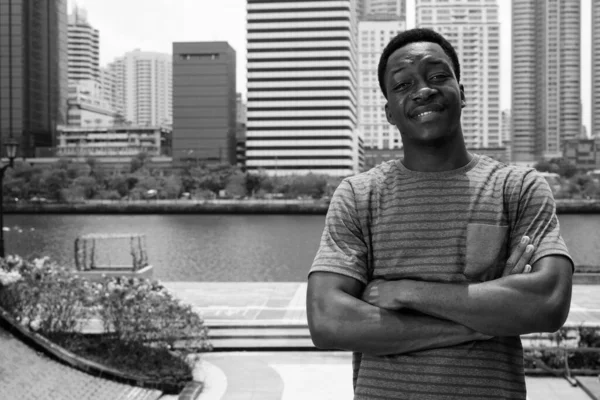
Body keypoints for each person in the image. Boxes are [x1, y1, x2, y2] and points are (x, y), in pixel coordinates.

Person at [306, 28, 573, 400]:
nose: (423, 90)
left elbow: (547, 302)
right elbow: (328, 321)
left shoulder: (518, 187)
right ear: (389, 112)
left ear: (461, 92)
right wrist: (482, 319)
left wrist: (404, 291)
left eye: (437, 76)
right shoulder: (359, 194)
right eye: (402, 85)